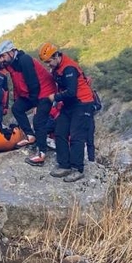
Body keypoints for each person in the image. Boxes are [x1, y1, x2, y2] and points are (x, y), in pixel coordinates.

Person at [39, 42, 95, 183]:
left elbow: (71, 92)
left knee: (76, 136)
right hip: (69, 104)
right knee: (60, 131)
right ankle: (64, 165)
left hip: (82, 103)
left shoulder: (69, 68)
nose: (48, 65)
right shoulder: (57, 69)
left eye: (49, 61)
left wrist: (55, 98)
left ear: (56, 56)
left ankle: (78, 169)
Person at [0, 40, 56, 167]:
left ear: (11, 52)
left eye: (3, 56)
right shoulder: (11, 64)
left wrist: (35, 105)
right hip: (31, 94)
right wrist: (18, 98)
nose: (2, 59)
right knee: (17, 108)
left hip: (45, 92)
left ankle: (41, 154)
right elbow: (17, 83)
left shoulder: (24, 60)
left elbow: (33, 83)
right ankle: (30, 135)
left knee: (38, 121)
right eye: (0, 57)